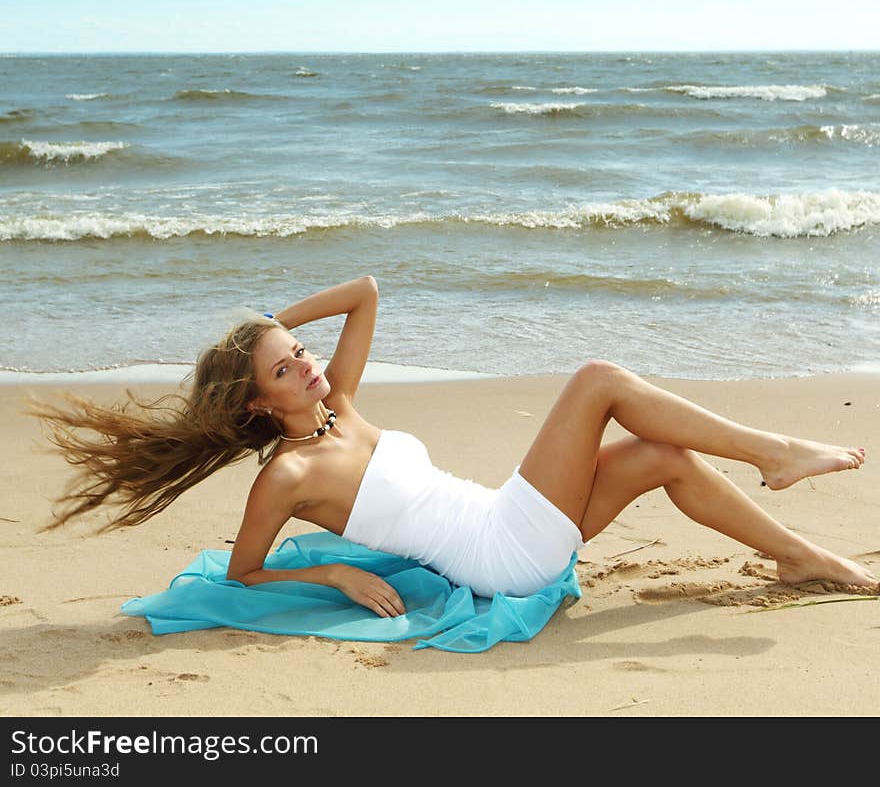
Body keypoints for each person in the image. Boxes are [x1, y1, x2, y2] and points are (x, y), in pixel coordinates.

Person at [33, 275, 876, 620]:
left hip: (507, 517)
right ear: (259, 403)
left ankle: (807, 560)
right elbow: (247, 569)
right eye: (287, 370)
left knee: (662, 459)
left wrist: (268, 326)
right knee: (598, 381)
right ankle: (774, 452)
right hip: (500, 555)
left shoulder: (345, 406)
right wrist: (334, 571)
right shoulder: (287, 475)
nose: (308, 365)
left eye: (302, 353)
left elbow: (365, 292)